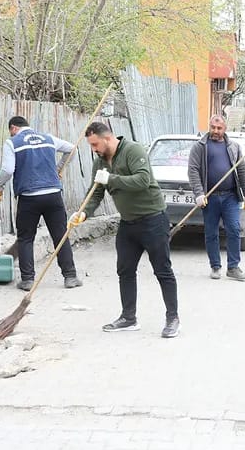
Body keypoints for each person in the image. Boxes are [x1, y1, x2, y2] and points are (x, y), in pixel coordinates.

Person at [71, 122, 180, 338]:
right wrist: (83, 213)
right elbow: (96, 193)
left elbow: (142, 180)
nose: (94, 149)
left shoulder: (133, 150)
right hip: (128, 223)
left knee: (163, 270)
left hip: (153, 220)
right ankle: (129, 318)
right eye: (91, 146)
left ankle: (172, 318)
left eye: (95, 144)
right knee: (125, 270)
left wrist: (112, 178)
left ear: (107, 138)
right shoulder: (100, 163)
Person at [0, 116, 82, 291]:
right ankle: (70, 277)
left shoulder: (12, 142)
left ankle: (27, 280)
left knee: (26, 238)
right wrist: (58, 169)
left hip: (29, 197)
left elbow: (8, 169)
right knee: (60, 235)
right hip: (53, 195)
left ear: (13, 128)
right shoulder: (48, 138)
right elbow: (72, 149)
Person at [187, 115, 245, 282]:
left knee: (234, 229)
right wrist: (199, 193)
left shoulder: (233, 147)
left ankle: (233, 267)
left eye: (219, 128)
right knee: (211, 233)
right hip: (209, 197)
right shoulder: (200, 147)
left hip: (230, 196)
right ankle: (215, 266)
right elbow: (193, 170)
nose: (215, 131)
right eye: (213, 127)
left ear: (225, 128)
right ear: (209, 127)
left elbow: (242, 171)